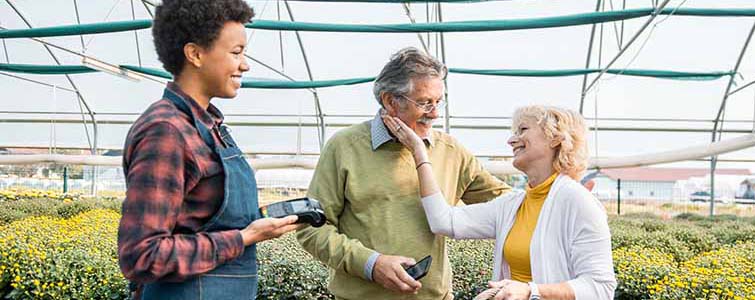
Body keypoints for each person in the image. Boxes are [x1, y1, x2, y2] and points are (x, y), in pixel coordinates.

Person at [117, 1, 301, 299]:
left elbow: (201, 219)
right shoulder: (167, 131)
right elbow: (142, 254)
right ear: (196, 54)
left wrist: (256, 225)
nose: (245, 64)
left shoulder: (208, 126)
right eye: (236, 52)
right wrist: (244, 237)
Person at [295, 47, 511, 300]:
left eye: (438, 102)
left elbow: (510, 206)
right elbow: (311, 228)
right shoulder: (344, 147)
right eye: (424, 102)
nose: (435, 113)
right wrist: (371, 264)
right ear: (389, 100)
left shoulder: (451, 151)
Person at [383, 104, 616, 300]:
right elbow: (443, 221)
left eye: (523, 129)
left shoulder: (577, 201)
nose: (511, 140)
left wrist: (530, 291)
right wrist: (420, 154)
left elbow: (600, 287)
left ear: (556, 138)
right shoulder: (513, 204)